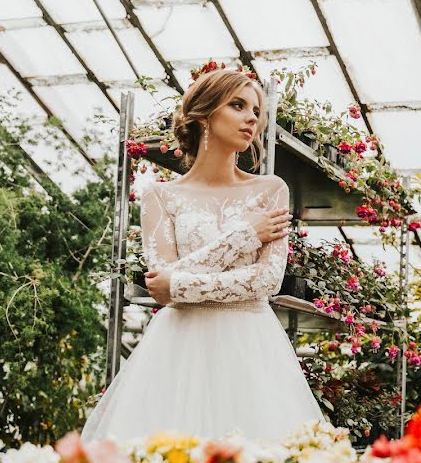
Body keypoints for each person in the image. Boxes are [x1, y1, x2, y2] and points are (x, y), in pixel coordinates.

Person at [81, 69, 325, 443]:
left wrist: (178, 283)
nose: (252, 119)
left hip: (251, 347)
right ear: (204, 114)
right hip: (178, 349)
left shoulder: (270, 190)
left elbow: (266, 281)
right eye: (238, 105)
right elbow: (160, 286)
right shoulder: (160, 196)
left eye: (256, 111)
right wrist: (245, 235)